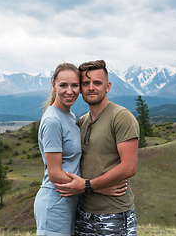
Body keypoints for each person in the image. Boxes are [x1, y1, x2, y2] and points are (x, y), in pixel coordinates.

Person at [34, 62, 126, 236]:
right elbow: (54, 174)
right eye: (63, 85)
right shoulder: (53, 120)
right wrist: (96, 187)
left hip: (69, 201)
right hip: (55, 201)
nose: (70, 91)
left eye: (75, 85)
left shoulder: (69, 116)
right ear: (53, 85)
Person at [55, 60, 140, 235]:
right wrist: (91, 187)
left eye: (97, 83)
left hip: (114, 214)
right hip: (84, 214)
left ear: (107, 86)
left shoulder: (121, 117)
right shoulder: (81, 121)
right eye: (86, 83)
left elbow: (129, 167)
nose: (91, 87)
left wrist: (88, 185)